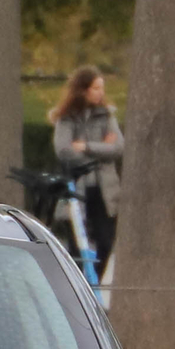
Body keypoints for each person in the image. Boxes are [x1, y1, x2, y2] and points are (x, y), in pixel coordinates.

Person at [49, 66, 124, 274]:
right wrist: (101, 150)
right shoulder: (67, 118)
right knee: (76, 246)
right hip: (77, 188)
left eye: (102, 88)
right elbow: (63, 150)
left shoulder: (107, 116)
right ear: (83, 90)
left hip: (103, 190)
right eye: (96, 88)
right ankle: (78, 289)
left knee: (105, 241)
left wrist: (86, 146)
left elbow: (118, 147)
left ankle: (93, 289)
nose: (101, 92)